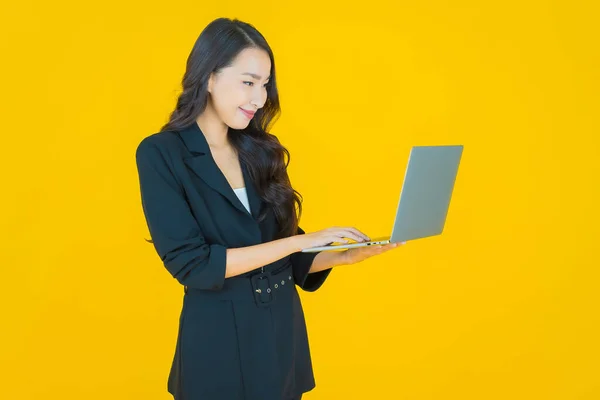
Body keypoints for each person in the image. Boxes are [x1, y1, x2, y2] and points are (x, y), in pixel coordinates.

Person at [135, 17, 403, 400]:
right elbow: (193, 265)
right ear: (209, 76)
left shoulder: (258, 150)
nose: (259, 99)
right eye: (248, 82)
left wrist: (341, 257)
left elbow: (284, 254)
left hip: (280, 337)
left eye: (264, 85)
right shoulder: (161, 154)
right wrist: (300, 243)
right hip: (217, 346)